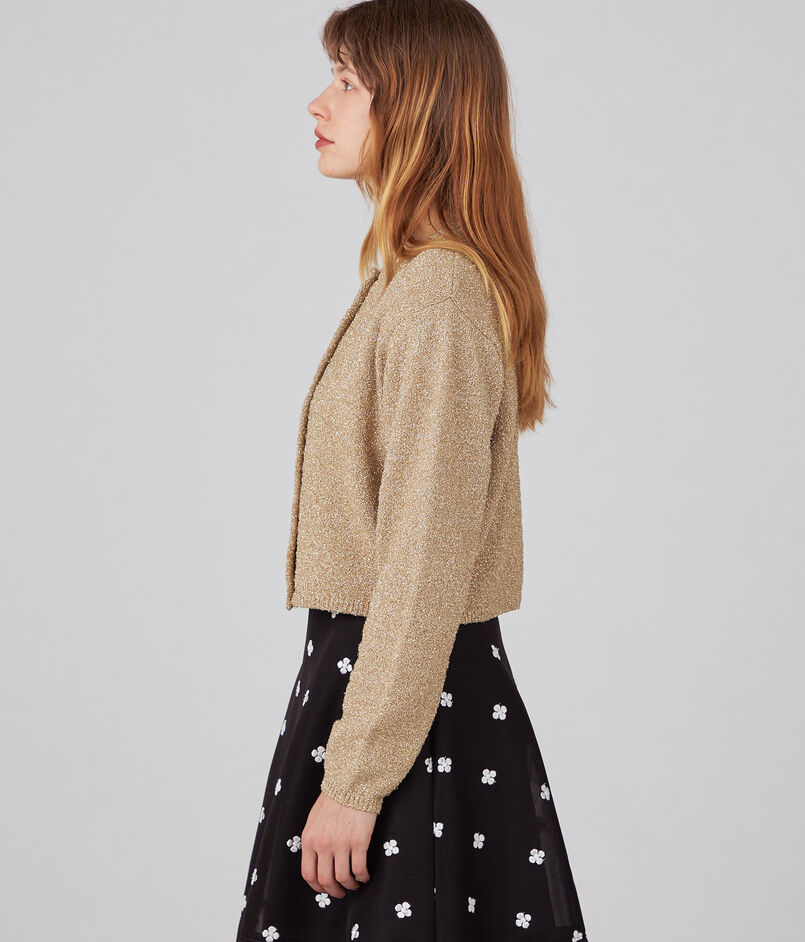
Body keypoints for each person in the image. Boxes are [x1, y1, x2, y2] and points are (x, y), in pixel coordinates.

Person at [236, 1, 590, 939]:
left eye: (347, 82)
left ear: (418, 106)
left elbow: (424, 558)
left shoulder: (437, 293)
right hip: (390, 695)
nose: (318, 103)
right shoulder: (412, 281)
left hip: (404, 706)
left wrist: (355, 779)